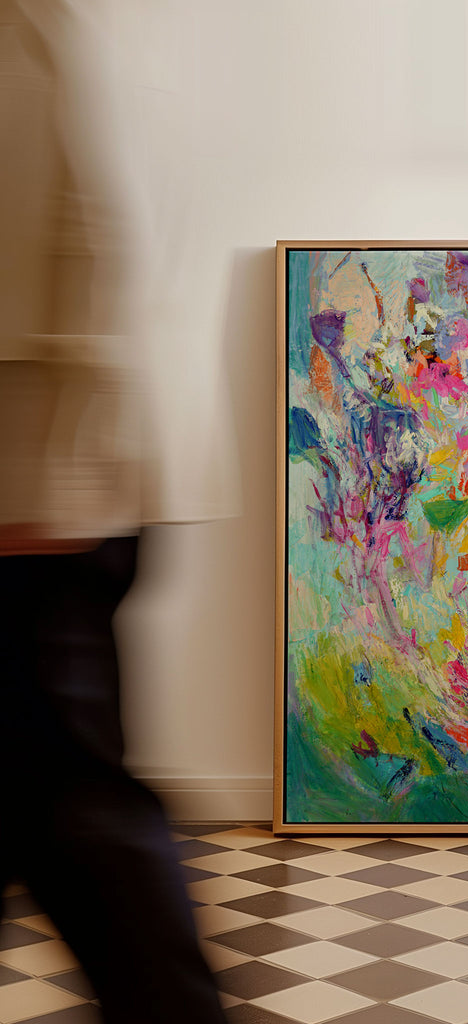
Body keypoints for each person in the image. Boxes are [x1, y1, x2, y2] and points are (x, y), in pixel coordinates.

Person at [0, 2, 232, 1020]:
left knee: (76, 805)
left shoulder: (45, 23)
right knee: (60, 793)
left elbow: (106, 233)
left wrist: (59, 473)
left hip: (41, 484)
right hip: (59, 474)